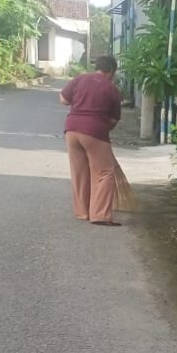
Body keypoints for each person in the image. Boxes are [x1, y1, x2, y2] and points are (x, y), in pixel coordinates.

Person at [60, 56, 122, 226]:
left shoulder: (80, 79)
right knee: (104, 172)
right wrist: (102, 130)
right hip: (94, 131)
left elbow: (63, 99)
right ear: (111, 71)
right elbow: (113, 119)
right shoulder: (111, 89)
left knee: (79, 172)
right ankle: (100, 215)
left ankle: (82, 212)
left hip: (71, 129)